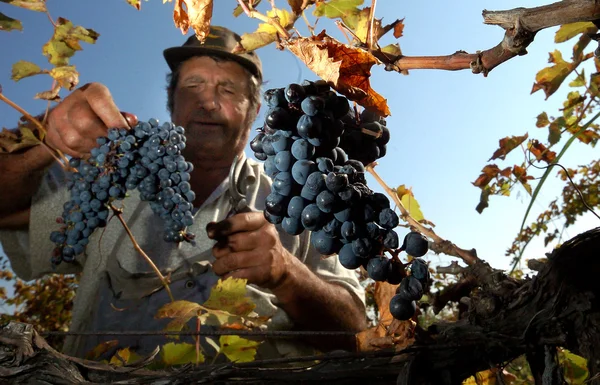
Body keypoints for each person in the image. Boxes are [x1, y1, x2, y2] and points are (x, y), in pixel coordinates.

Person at [0, 26, 367, 360]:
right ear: (171, 101)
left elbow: (356, 334)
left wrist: (288, 276)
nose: (208, 102)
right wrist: (47, 141)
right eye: (193, 86)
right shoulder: (112, 180)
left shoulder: (298, 199)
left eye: (228, 90)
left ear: (254, 110)